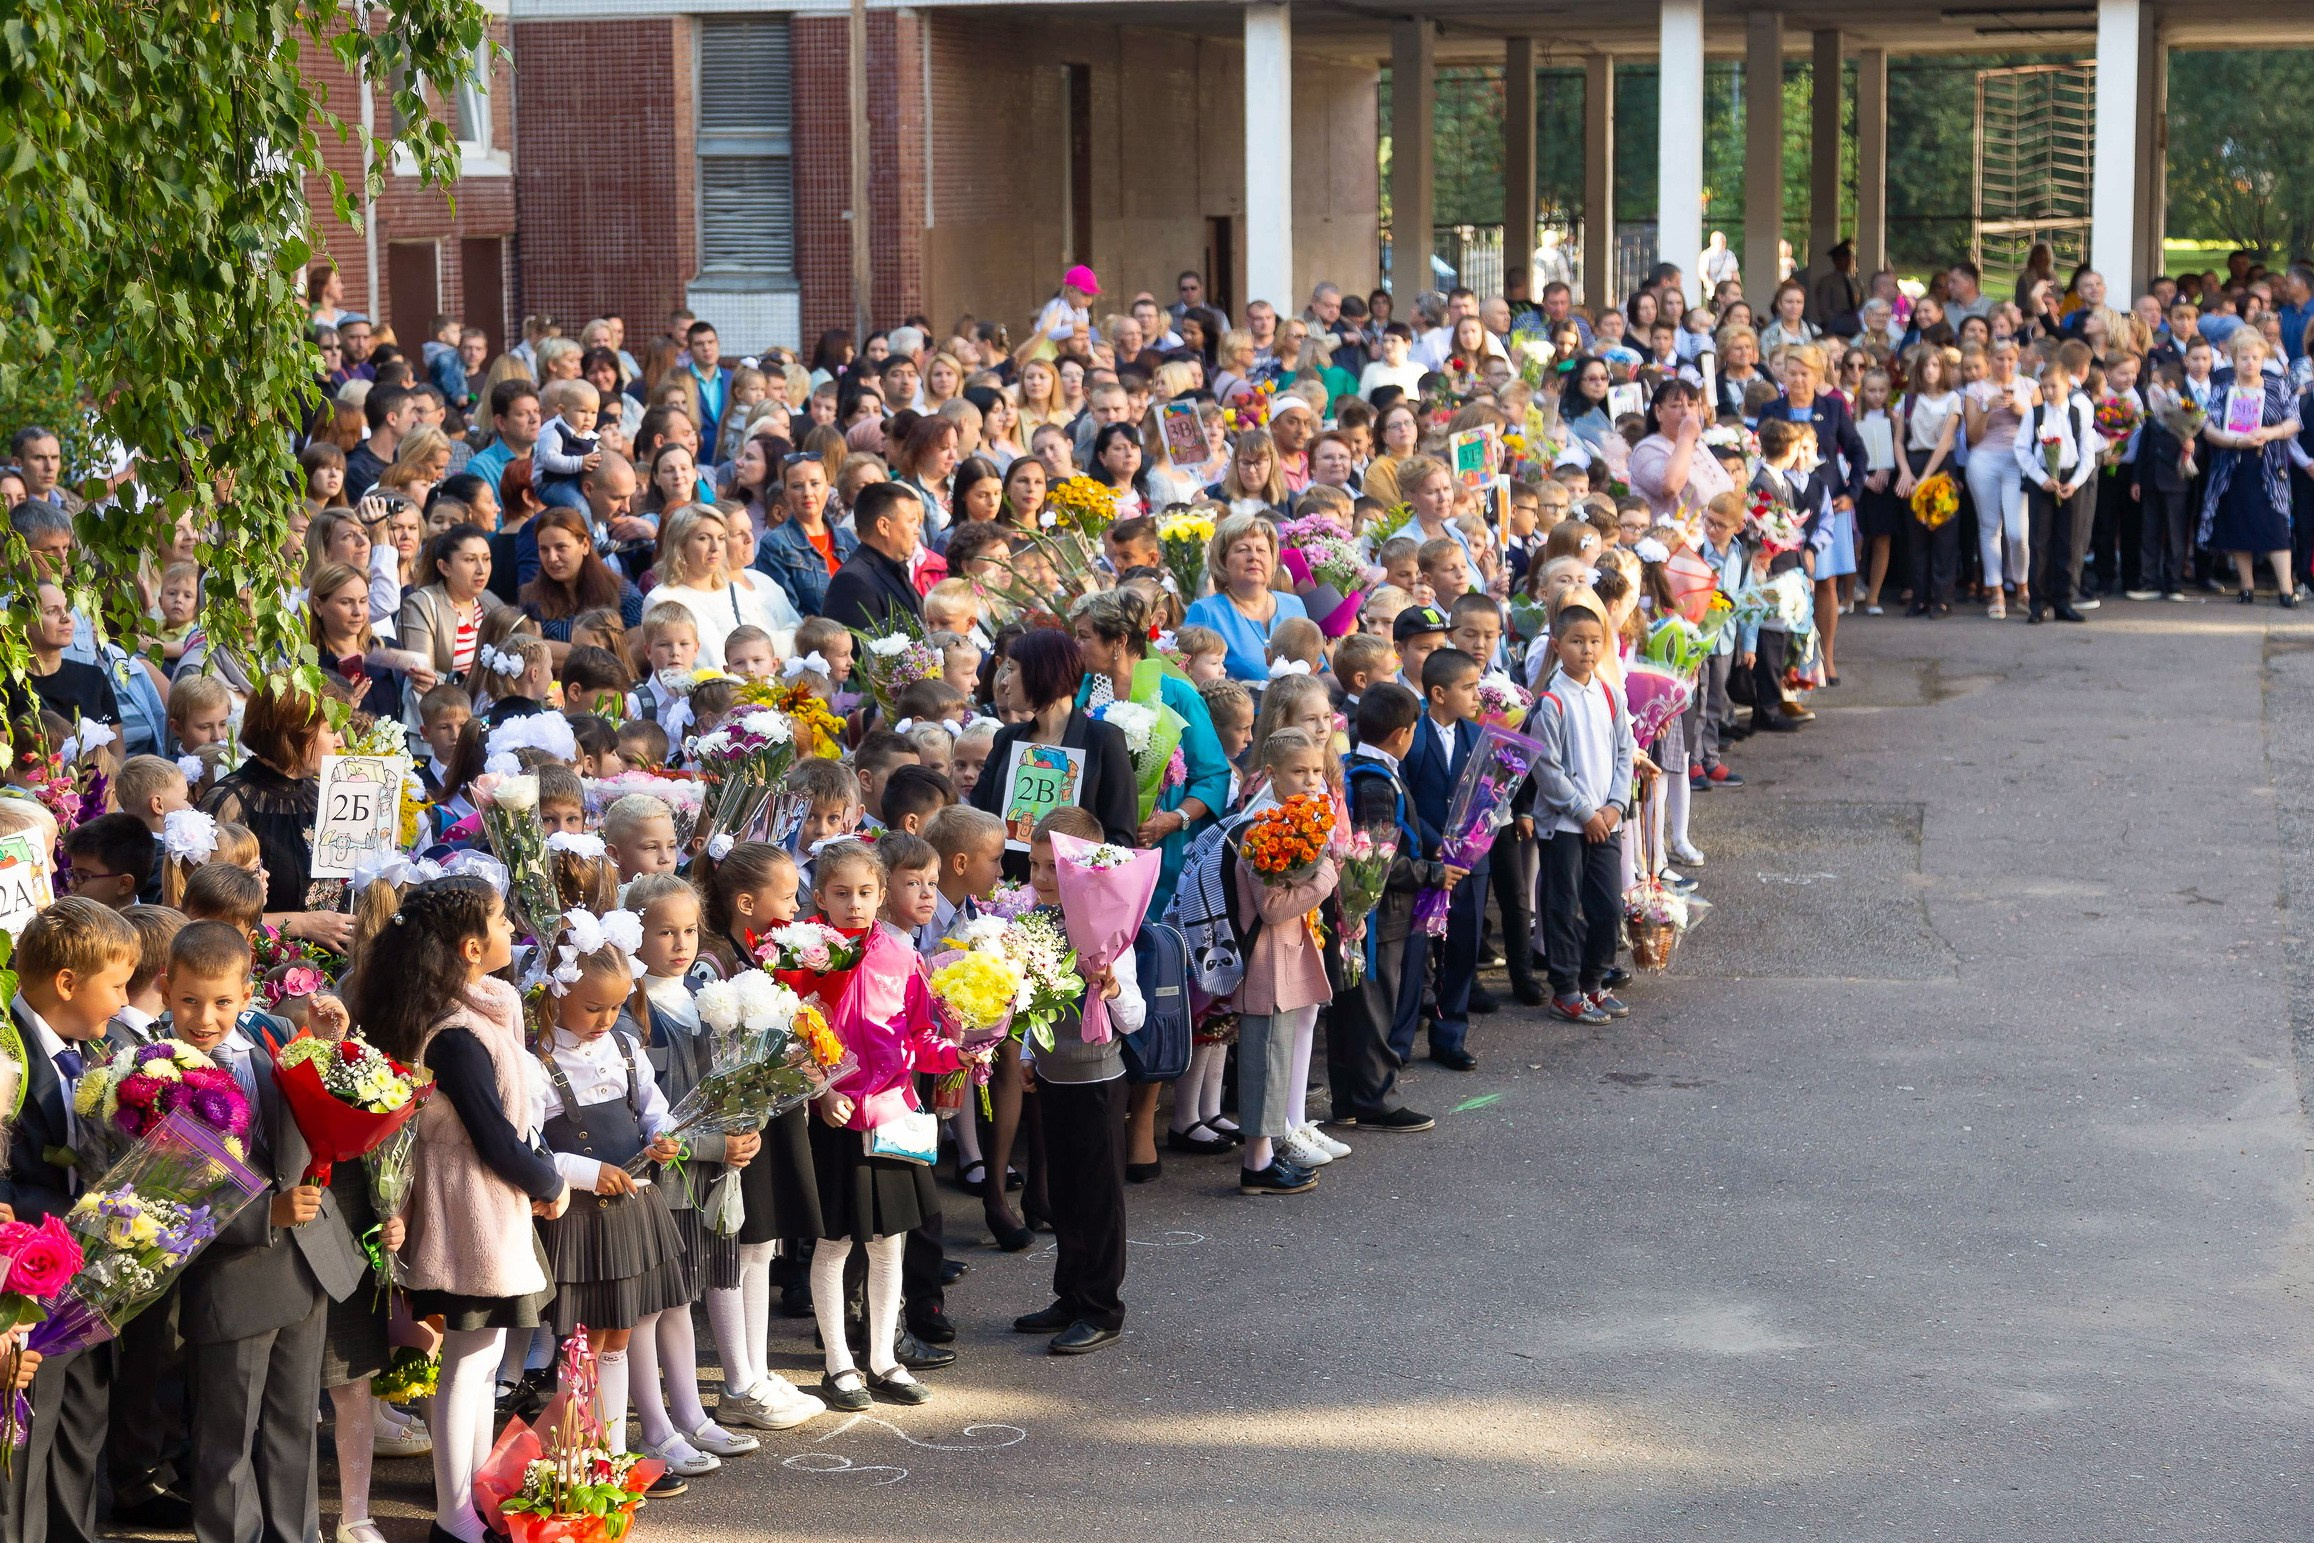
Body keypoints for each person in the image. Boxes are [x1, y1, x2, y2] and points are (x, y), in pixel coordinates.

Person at [339, 877, 569, 1543]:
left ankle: (471, 1501)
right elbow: (492, 1134)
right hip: (468, 1211)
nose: (510, 931)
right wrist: (549, 1180)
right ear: (471, 947)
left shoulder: (470, 1011)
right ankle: (455, 1513)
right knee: (467, 1364)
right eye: (501, 921)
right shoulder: (454, 1032)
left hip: (488, 1207)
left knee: (480, 1354)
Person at [171, 921, 367, 1543]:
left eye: (223, 1002)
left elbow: (318, 1128)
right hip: (232, 1273)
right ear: (164, 989)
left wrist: (329, 1049)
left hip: (302, 1265)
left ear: (246, 994)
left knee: (292, 1427)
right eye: (189, 1001)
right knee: (229, 1432)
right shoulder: (152, 1074)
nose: (206, 1017)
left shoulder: (264, 1053)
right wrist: (265, 1215)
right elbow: (169, 1194)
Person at [5, 898, 139, 1543]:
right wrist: (86, 1216)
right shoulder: (9, 1053)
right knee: (26, 1444)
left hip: (89, 1280)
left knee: (79, 1431)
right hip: (28, 1279)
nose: (124, 1000)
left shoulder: (100, 1048)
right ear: (66, 983)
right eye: (116, 986)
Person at [1531, 598, 1636, 1023]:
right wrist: (1583, 812)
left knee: (1607, 905)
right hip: (1566, 827)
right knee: (1563, 905)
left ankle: (1595, 982)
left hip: (1605, 822)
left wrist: (1614, 807)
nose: (1587, 650)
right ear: (1557, 645)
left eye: (1595, 642)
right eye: (1577, 641)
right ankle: (1567, 989)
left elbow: (1625, 753)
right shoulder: (1551, 702)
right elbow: (1547, 767)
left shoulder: (1609, 695)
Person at [199, 682, 356, 950]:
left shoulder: (327, 791)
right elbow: (211, 914)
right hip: (261, 969)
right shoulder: (231, 802)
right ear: (295, 734)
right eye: (331, 731)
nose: (341, 741)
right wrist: (303, 925)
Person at [2200, 329, 2303, 606]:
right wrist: (2236, 440)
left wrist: (2269, 434)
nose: (2250, 362)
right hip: (2232, 467)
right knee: (2238, 524)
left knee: (2276, 527)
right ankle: (2246, 586)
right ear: (2234, 359)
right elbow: (2208, 428)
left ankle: (2285, 589)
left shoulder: (2277, 385)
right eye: (2244, 357)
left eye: (2255, 357)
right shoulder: (2222, 389)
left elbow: (2294, 421)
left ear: (2263, 358)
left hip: (2269, 468)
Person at [2015, 343, 2101, 624]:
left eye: (2054, 386)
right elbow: (2022, 449)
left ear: (2067, 384)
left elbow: (2087, 455)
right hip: (2043, 481)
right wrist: (2041, 479)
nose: (2049, 392)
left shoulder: (2077, 413)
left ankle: (2063, 600)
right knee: (2039, 542)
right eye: (2045, 386)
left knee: (2069, 542)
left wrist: (2074, 484)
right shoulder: (2035, 414)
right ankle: (2038, 603)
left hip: (2069, 480)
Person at [1182, 511, 1308, 682]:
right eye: (1242, 550)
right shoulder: (1205, 612)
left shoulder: (1294, 604)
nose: (1254, 557)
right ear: (1222, 560)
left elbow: (1319, 669)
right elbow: (1187, 679)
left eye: (1262, 550)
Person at [821, 482, 926, 631]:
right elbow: (864, 650)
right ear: (883, 526)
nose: (917, 531)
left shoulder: (894, 568)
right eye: (911, 521)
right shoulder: (852, 583)